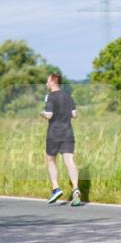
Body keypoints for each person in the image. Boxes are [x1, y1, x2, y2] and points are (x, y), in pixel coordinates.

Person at [41, 73, 81, 206]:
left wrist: (42, 113)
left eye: (47, 81)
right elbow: (74, 115)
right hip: (68, 133)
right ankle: (75, 189)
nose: (46, 84)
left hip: (54, 133)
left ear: (53, 81)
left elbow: (49, 115)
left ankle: (56, 189)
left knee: (50, 160)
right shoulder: (68, 96)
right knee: (70, 161)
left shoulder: (51, 97)